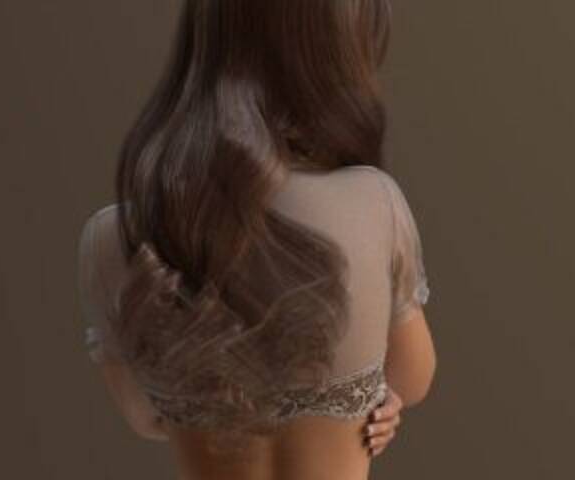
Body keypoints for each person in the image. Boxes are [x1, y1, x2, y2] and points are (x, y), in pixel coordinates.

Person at [77, 0, 437, 479]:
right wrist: (376, 395)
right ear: (334, 52)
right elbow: (413, 377)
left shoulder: (111, 236)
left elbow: (144, 416)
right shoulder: (373, 202)